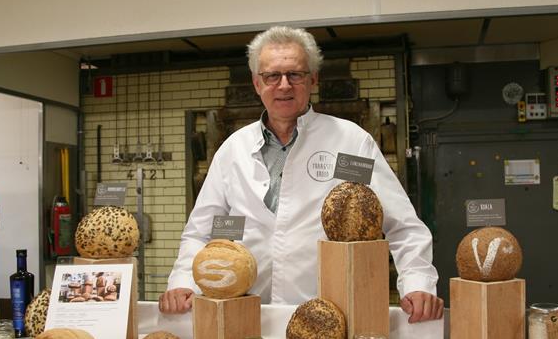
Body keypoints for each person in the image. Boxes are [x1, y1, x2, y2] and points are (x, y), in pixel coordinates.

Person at [159, 26, 443, 323]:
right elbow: (200, 232)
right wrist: (182, 282)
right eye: (272, 76)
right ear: (257, 83)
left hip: (329, 315)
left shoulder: (349, 142)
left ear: (313, 79)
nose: (284, 86)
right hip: (245, 314)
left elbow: (403, 225)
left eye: (295, 75)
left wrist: (417, 284)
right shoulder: (233, 150)